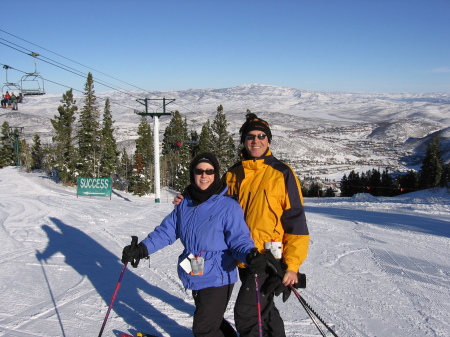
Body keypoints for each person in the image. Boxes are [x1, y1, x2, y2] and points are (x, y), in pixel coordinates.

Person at [174, 113, 310, 337]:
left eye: (261, 136)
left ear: (268, 140)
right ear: (244, 140)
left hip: (268, 257)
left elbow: (296, 222)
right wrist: (187, 198)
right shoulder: (234, 174)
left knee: (247, 313)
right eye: (250, 136)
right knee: (263, 310)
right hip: (241, 256)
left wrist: (293, 265)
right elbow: (209, 196)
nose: (256, 140)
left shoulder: (282, 173)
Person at [122, 152, 259, 337]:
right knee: (211, 319)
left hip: (218, 275)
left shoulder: (228, 206)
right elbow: (167, 231)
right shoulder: (185, 203)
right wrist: (142, 249)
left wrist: (250, 254)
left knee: (203, 328)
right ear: (192, 174)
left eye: (210, 171)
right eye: (199, 171)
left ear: (216, 174)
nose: (204, 175)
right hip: (195, 271)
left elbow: (239, 239)